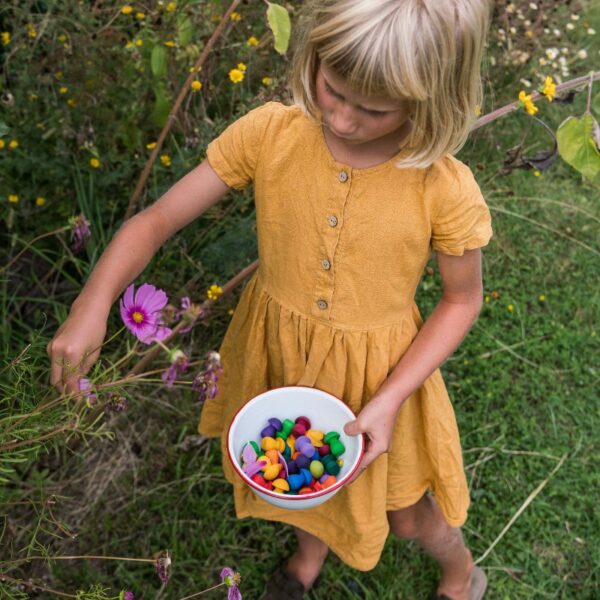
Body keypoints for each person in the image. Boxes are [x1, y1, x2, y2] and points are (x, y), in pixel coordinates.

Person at [48, 0, 493, 598]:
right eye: (332, 89)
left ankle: (459, 569)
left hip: (382, 377)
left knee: (404, 511)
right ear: (314, 57)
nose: (343, 118)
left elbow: (461, 301)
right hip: (278, 354)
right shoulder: (271, 133)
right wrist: (91, 304)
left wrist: (389, 400)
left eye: (373, 109)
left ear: (430, 99)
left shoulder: (442, 186)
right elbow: (155, 221)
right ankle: (309, 555)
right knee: (294, 476)